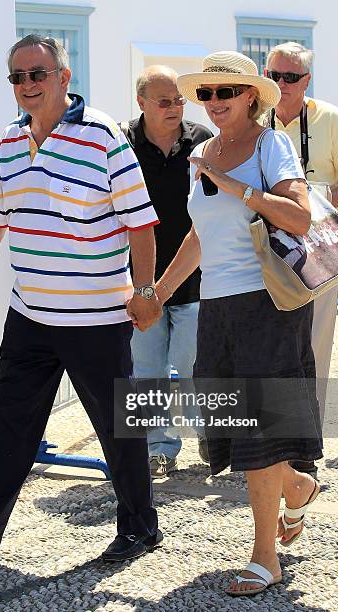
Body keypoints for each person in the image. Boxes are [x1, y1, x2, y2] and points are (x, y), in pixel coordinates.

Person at [0, 35, 163, 564]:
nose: (27, 85)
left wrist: (144, 290)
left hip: (96, 316)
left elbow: (140, 223)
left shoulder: (103, 136)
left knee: (116, 425)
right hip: (29, 312)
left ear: (63, 78)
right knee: (9, 418)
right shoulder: (10, 139)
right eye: (18, 77)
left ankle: (141, 527)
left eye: (38, 74)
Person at [157, 51, 323, 596]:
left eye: (225, 93)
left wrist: (239, 187)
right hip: (218, 308)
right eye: (206, 94)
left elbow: (299, 217)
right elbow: (201, 236)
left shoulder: (270, 146)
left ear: (251, 96)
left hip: (270, 305)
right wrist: (158, 293)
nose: (214, 103)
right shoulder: (201, 153)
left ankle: (264, 558)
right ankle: (296, 488)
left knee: (259, 428)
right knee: (232, 422)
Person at [265, 42, 338, 476]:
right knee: (269, 341)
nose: (279, 85)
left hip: (321, 248)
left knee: (314, 342)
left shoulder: (330, 117)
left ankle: (306, 439)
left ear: (307, 81)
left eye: (289, 78)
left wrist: (321, 197)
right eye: (272, 76)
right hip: (268, 246)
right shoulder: (256, 117)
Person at [121, 65, 212, 477]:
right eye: (165, 101)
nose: (176, 107)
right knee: (147, 372)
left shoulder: (203, 143)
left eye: (179, 99)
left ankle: (214, 440)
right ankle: (158, 448)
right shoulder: (121, 144)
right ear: (141, 103)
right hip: (139, 284)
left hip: (196, 279)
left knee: (199, 367)